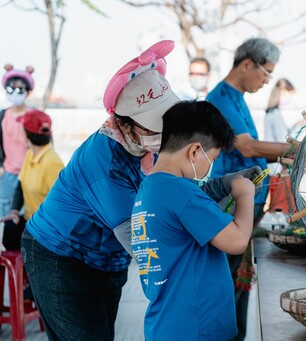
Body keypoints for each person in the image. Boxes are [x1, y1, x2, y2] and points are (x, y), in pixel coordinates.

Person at [20, 40, 182, 341]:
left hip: (106, 260)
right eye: (154, 127)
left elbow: (177, 190)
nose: (164, 134)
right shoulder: (107, 164)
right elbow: (140, 241)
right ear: (125, 124)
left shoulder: (147, 146)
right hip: (61, 257)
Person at [206, 37, 306, 341]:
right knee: (227, 279)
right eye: (266, 73)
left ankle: (236, 334)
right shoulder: (220, 99)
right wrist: (301, 147)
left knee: (237, 278)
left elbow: (256, 151)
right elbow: (247, 148)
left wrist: (297, 149)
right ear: (247, 64)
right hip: (232, 203)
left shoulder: (237, 98)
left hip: (248, 201)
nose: (266, 80)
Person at [131, 100, 255, 341]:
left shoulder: (151, 188)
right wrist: (245, 195)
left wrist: (226, 183)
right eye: (213, 158)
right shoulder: (182, 193)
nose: (211, 167)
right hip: (196, 329)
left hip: (169, 325)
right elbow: (237, 240)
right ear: (195, 151)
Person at [0, 109, 64, 250]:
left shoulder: (52, 163)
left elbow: (60, 207)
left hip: (45, 229)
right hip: (29, 220)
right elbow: (20, 184)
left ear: (26, 134)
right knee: (7, 231)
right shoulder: (30, 153)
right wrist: (14, 211)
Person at [0, 64, 35, 218]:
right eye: (11, 89)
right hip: (7, 174)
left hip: (29, 174)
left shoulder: (35, 116)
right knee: (6, 214)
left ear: (28, 92)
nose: (15, 93)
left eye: (20, 90)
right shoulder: (3, 115)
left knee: (28, 214)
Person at [264, 78, 297, 213]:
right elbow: (282, 141)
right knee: (281, 207)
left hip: (271, 167)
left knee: (276, 203)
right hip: (278, 168)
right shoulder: (276, 114)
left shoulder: (269, 113)